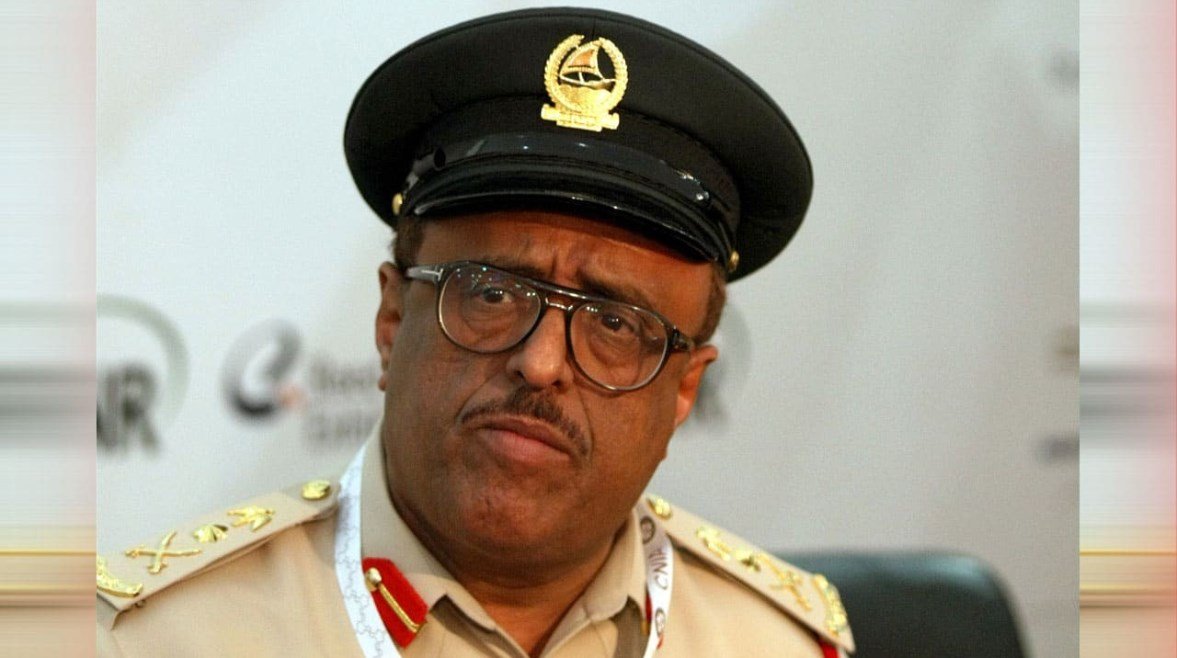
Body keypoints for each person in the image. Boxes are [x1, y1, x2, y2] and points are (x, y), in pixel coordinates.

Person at [97, 8, 855, 657]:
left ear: (686, 387)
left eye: (614, 323)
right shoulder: (154, 639)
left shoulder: (774, 643)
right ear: (393, 319)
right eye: (492, 293)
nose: (541, 362)